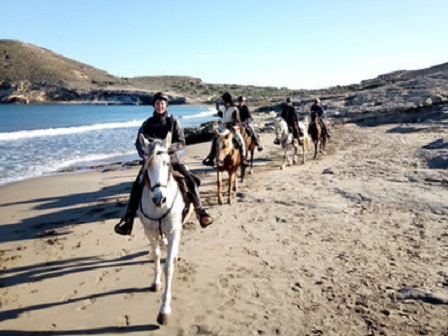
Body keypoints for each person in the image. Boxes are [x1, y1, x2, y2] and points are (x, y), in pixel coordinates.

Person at [114, 92, 213, 236]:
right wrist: (146, 154)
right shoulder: (147, 124)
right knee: (137, 184)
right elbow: (139, 143)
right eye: (157, 103)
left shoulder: (173, 122)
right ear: (154, 105)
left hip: (172, 159)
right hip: (152, 161)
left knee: (190, 180)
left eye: (162, 103)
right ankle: (128, 220)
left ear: (166, 105)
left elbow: (181, 142)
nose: (160, 106)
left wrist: (165, 150)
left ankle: (201, 211)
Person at [202, 92, 247, 167]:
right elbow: (222, 115)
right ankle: (211, 158)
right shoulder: (224, 109)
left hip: (232, 128)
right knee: (214, 139)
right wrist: (218, 110)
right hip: (223, 127)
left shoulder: (234, 109)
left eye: (225, 101)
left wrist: (229, 124)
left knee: (240, 139)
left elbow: (237, 121)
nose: (225, 102)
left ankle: (243, 158)